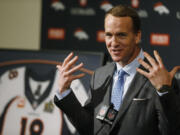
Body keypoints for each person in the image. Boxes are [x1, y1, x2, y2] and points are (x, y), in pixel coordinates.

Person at [54, 5, 180, 135]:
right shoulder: (100, 75)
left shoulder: (162, 80)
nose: (113, 43)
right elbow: (90, 128)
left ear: (137, 36)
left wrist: (164, 92)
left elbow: (171, 131)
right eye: (108, 35)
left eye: (121, 35)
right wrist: (65, 93)